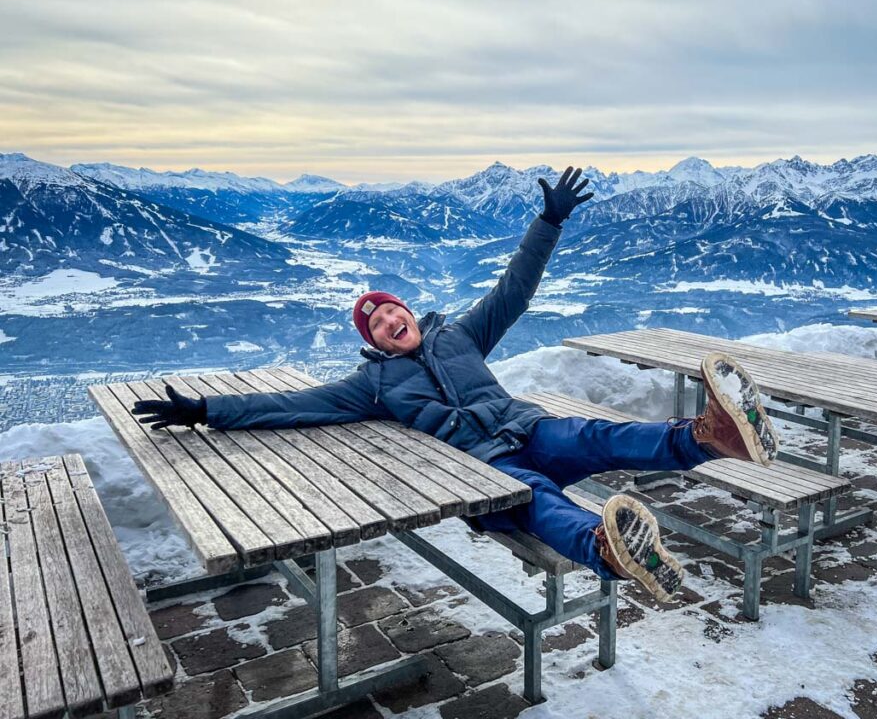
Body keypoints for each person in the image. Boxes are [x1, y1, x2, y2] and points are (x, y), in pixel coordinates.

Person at [132, 166, 780, 602]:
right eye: (378, 323)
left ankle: (712, 434)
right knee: (534, 498)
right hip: (483, 469)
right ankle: (607, 550)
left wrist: (547, 224)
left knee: (597, 435)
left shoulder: (460, 335)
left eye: (393, 311)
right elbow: (291, 405)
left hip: (528, 428)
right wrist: (205, 409)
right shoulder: (372, 386)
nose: (390, 322)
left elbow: (514, 290)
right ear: (373, 341)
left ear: (409, 312)